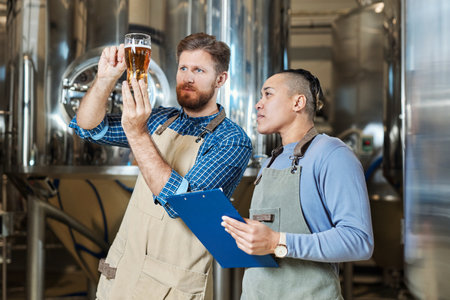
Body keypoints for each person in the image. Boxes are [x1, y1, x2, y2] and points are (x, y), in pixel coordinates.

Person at [69, 33, 252, 300]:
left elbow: (181, 202)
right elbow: (89, 128)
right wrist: (105, 79)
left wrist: (137, 133)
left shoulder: (231, 140)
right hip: (123, 273)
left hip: (170, 286)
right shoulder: (160, 118)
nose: (188, 77)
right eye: (183, 68)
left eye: (199, 70)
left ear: (220, 79)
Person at [221, 69, 374, 299]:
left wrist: (277, 242)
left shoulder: (332, 154)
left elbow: (359, 240)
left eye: (268, 94)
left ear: (298, 102)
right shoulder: (269, 162)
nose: (258, 104)